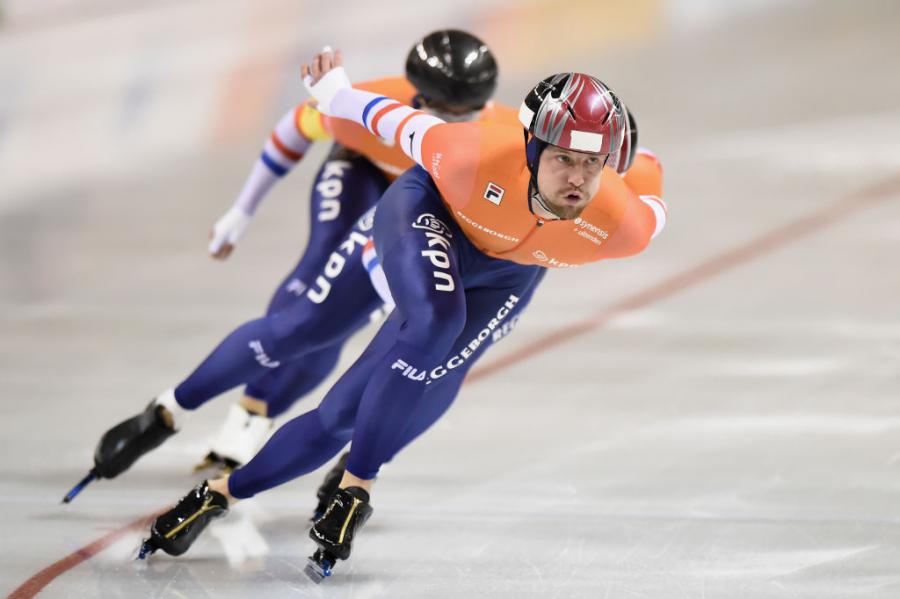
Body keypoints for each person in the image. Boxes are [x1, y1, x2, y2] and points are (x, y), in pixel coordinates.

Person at [135, 47, 665, 582]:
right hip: (429, 214)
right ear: (530, 148)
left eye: (592, 163)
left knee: (348, 411)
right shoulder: (468, 154)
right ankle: (357, 486)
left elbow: (652, 186)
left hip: (510, 271)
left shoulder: (622, 226)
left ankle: (216, 495)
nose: (577, 178)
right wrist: (338, 94)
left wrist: (645, 171)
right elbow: (396, 120)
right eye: (563, 159)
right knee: (436, 323)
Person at [62, 31, 524, 510]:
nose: (455, 124)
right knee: (312, 313)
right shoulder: (374, 109)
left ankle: (304, 433)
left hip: (426, 205)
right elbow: (294, 131)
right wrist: (241, 211)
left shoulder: (497, 137)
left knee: (433, 356)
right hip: (365, 180)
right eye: (444, 113)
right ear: (417, 98)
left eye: (469, 114)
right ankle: (169, 412)